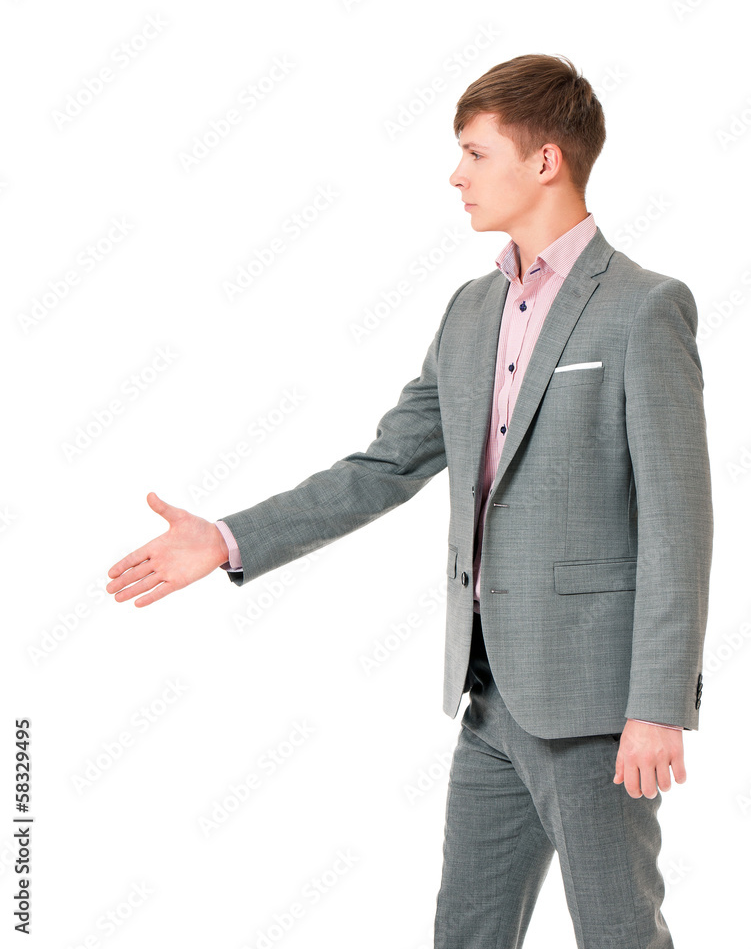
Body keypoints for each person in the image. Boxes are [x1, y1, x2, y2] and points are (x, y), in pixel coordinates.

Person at [107, 53, 713, 948]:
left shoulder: (643, 307)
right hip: (486, 699)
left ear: (544, 161)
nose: (455, 175)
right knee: (464, 933)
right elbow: (385, 465)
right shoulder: (468, 311)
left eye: (474, 153)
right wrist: (230, 539)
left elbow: (677, 522)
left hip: (594, 710)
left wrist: (657, 704)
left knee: (618, 934)